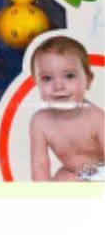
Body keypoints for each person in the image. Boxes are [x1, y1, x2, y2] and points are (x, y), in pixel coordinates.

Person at [29, 36, 104, 181]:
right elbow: (40, 164)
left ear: (88, 80)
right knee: (63, 178)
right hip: (72, 173)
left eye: (69, 76)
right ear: (36, 83)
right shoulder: (39, 122)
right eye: (47, 78)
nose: (58, 86)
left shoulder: (96, 118)